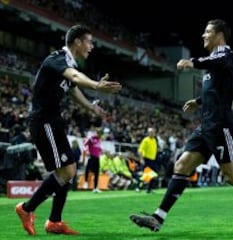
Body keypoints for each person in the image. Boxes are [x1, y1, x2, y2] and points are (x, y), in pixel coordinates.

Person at [130, 19, 233, 234]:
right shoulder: (215, 61)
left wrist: (191, 62)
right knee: (182, 165)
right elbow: (215, 89)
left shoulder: (226, 55)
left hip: (221, 126)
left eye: (207, 32)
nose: (203, 35)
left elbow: (213, 64)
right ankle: (158, 218)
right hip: (206, 126)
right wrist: (198, 101)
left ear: (219, 35)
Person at [15, 24, 122, 236]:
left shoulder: (68, 63)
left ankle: (54, 221)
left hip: (53, 121)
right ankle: (26, 209)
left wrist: (91, 107)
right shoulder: (58, 59)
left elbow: (73, 89)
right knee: (66, 171)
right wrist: (96, 85)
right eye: (89, 42)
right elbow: (74, 78)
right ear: (78, 42)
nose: (91, 46)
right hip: (43, 121)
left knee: (68, 170)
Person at [137, 127, 159, 193]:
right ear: (148, 133)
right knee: (145, 175)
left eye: (153, 132)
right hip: (147, 159)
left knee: (152, 175)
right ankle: (138, 187)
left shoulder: (154, 140)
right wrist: (141, 159)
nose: (152, 134)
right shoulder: (145, 140)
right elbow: (140, 150)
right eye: (150, 132)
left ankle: (149, 189)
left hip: (153, 160)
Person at [83, 127, 102, 193]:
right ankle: (85, 182)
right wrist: (86, 151)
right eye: (98, 133)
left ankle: (95, 188)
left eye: (100, 133)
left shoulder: (99, 140)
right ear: (96, 133)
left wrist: (101, 151)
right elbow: (85, 143)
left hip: (97, 158)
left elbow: (98, 148)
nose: (99, 134)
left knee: (97, 173)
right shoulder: (91, 138)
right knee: (88, 169)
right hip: (91, 157)